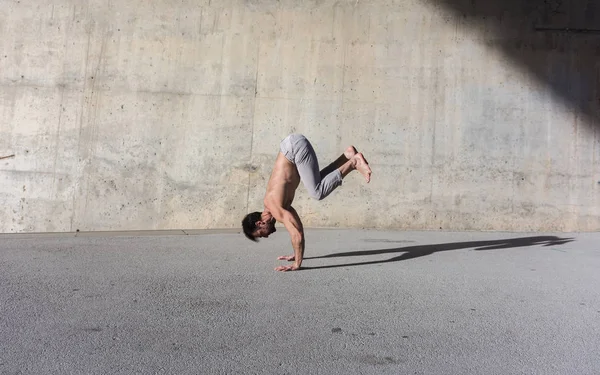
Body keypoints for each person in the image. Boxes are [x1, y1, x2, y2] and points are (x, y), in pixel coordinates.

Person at [241, 134, 372, 272]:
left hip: (293, 148)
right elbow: (299, 230)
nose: (266, 236)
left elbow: (295, 234)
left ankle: (354, 163)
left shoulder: (275, 207)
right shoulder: (280, 206)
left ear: (259, 223)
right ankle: (347, 156)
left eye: (262, 234)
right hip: (293, 146)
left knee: (317, 192)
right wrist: (296, 254)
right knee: (317, 184)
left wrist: (297, 265)